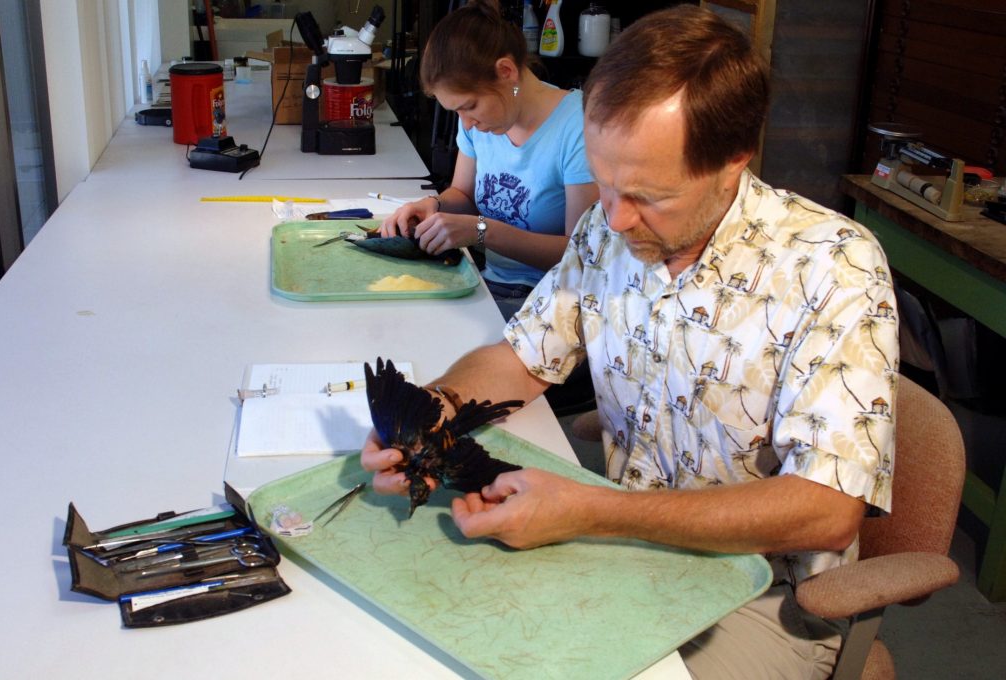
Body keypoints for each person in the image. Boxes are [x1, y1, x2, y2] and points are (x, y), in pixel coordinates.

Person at [363, 5, 899, 678]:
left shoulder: (831, 266)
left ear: (734, 160)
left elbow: (825, 511)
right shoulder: (609, 231)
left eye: (648, 197)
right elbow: (519, 355)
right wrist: (433, 406)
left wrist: (597, 510)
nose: (614, 218)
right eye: (605, 182)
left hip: (764, 598)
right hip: (619, 546)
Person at [380, 0, 599, 320]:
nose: (466, 124)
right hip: (486, 285)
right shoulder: (479, 121)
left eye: (469, 106)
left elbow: (580, 255)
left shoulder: (578, 126)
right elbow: (464, 195)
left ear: (506, 72)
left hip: (551, 302)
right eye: (457, 111)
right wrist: (434, 206)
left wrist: (482, 231)